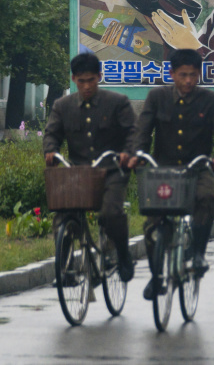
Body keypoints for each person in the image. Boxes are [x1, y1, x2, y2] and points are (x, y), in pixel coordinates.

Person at [127, 49, 214, 300]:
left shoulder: (211, 100)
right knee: (153, 224)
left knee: (206, 200)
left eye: (193, 75)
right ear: (171, 73)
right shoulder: (156, 97)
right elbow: (143, 131)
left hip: (198, 168)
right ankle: (155, 277)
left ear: (199, 75)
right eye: (182, 75)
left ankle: (197, 252)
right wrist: (138, 154)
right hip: (163, 170)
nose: (188, 81)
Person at [43, 53, 136, 282]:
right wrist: (50, 151)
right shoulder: (62, 106)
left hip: (112, 170)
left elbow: (133, 133)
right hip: (79, 173)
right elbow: (51, 134)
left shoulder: (117, 102)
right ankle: (65, 268)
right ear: (74, 79)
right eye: (81, 81)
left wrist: (128, 153)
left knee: (111, 213)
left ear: (99, 77)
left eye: (91, 80)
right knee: (63, 215)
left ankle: (122, 255)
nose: (86, 86)